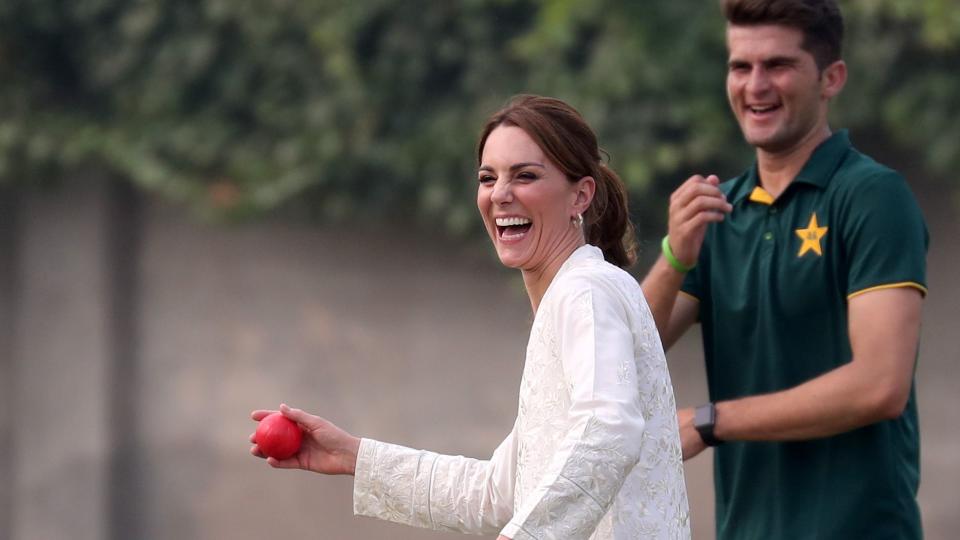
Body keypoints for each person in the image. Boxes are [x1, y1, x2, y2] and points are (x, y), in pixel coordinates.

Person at [250, 95, 691, 539]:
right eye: (487, 178)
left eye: (525, 176)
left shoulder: (586, 289)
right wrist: (354, 457)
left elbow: (609, 429)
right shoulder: (574, 295)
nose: (500, 194)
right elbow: (498, 494)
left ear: (581, 194)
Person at [640, 1, 929, 538]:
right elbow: (627, 360)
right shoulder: (718, 212)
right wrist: (675, 256)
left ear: (831, 78)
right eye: (740, 67)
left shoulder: (872, 197)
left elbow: (880, 385)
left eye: (778, 65)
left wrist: (711, 422)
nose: (755, 85)